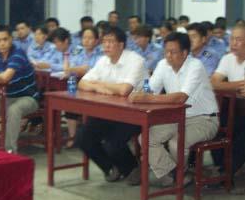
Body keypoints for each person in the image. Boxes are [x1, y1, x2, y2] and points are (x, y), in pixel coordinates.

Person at [126, 32, 219, 187]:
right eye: (166, 51)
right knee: (146, 138)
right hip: (177, 117)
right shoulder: (163, 64)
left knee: (177, 142)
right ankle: (174, 176)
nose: (168, 55)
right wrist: (141, 92)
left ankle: (179, 176)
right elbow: (151, 88)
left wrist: (147, 98)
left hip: (204, 119)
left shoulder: (195, 66)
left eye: (173, 52)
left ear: (184, 53)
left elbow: (181, 97)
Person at [75, 26, 146, 182]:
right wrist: (98, 87)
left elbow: (124, 90)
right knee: (82, 137)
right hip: (108, 111)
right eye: (104, 41)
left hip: (134, 113)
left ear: (121, 45)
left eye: (111, 41)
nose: (106, 45)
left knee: (112, 143)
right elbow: (82, 83)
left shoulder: (136, 61)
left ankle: (132, 168)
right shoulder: (103, 60)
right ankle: (110, 167)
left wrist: (100, 84)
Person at [210, 24, 245, 174]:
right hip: (232, 105)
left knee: (244, 133)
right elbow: (213, 82)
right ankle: (220, 167)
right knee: (214, 124)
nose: (233, 43)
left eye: (238, 39)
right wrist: (238, 85)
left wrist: (226, 85)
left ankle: (226, 171)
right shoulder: (227, 58)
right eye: (232, 39)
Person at [63, 27, 102, 148]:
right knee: (70, 103)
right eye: (84, 37)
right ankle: (72, 136)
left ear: (96, 40)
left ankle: (92, 136)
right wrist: (78, 69)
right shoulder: (78, 50)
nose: (86, 40)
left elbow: (94, 71)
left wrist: (78, 69)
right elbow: (70, 68)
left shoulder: (101, 53)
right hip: (77, 83)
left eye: (90, 38)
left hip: (95, 86)